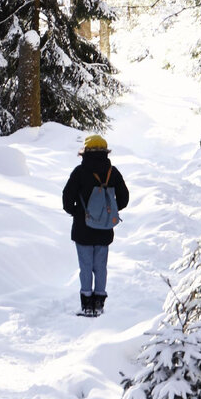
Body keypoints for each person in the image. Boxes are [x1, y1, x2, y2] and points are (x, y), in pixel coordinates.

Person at [61, 134, 129, 317]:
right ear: (106, 152)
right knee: (100, 266)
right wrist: (109, 211)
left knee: (85, 266)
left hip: (83, 228)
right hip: (105, 228)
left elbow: (67, 200)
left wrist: (78, 212)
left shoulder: (79, 172)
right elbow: (124, 199)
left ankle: (86, 305)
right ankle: (99, 303)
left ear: (85, 151)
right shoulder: (112, 172)